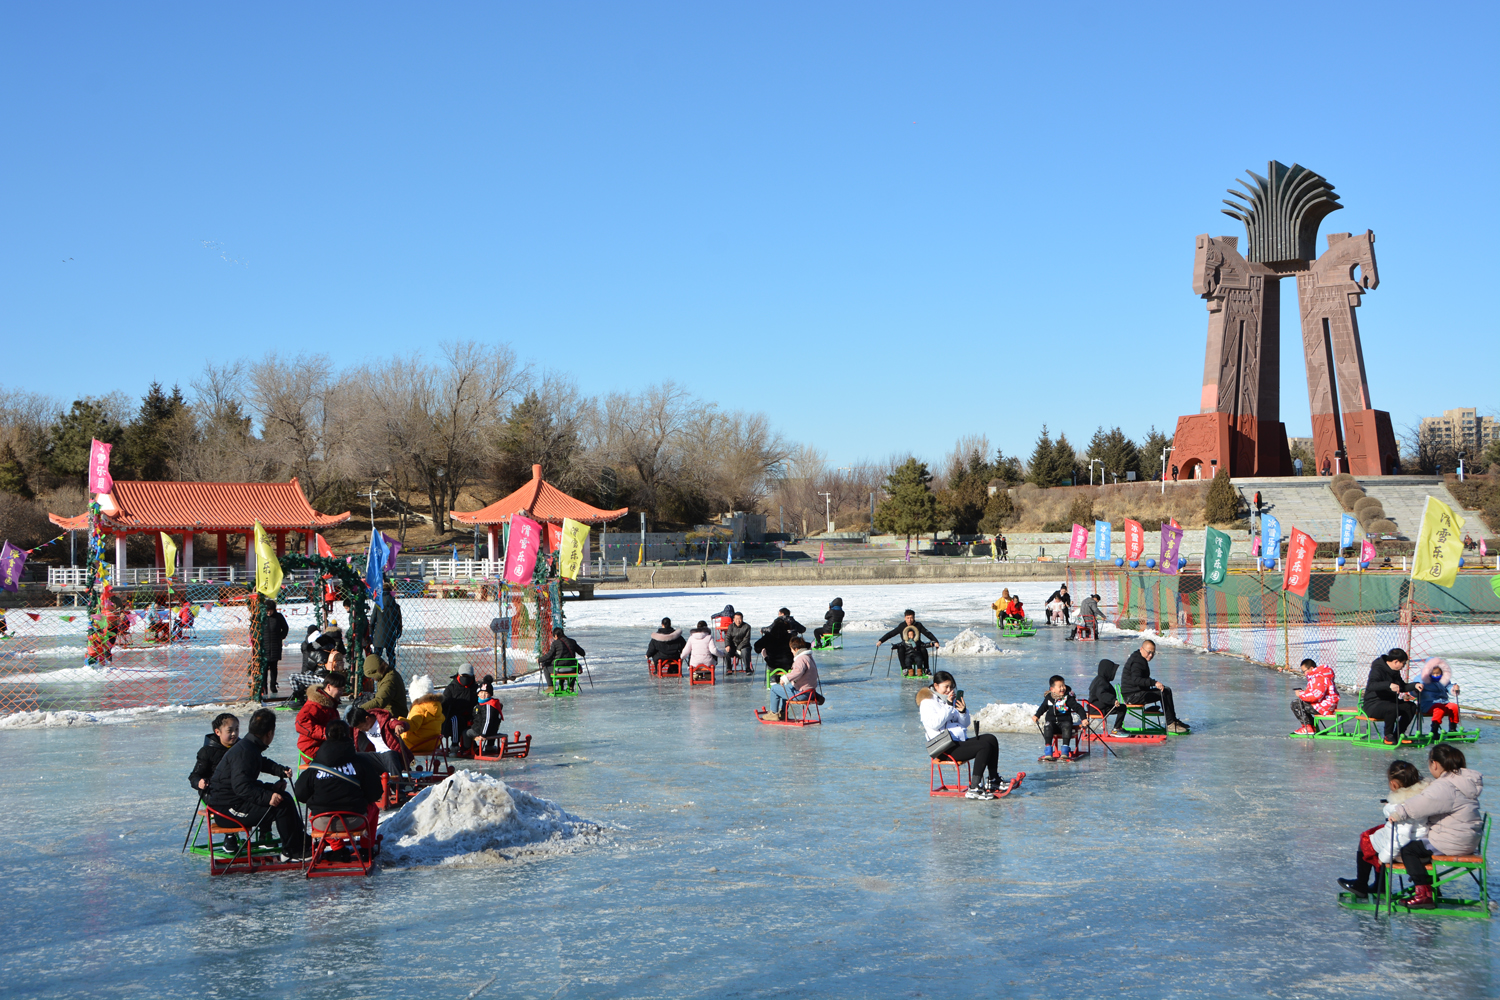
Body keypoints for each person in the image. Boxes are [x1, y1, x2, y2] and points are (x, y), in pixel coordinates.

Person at [1385, 744, 1485, 910]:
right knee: (1420, 846)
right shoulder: (1462, 781)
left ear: (1435, 764)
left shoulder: (1445, 785)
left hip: (1452, 841)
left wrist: (1399, 812)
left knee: (1409, 850)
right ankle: (1431, 888)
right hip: (1469, 839)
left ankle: (1424, 894)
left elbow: (1423, 803)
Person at [207, 708, 307, 861]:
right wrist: (268, 796)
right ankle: (292, 852)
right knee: (282, 806)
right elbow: (241, 787)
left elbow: (260, 762)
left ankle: (300, 841)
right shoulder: (245, 751)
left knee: (284, 797)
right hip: (227, 810)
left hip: (234, 802)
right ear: (270, 733)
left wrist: (278, 773)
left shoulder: (249, 746)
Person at [1338, 760, 1430, 898]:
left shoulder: (1401, 807)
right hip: (1420, 841)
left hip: (1406, 849)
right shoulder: (1421, 797)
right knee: (1375, 834)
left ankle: (1361, 883)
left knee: (1366, 840)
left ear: (1393, 784)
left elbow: (1401, 837)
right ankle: (1379, 885)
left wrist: (1384, 857)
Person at [293, 720, 385, 856]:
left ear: (326, 736)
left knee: (315, 813)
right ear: (348, 736)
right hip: (355, 821)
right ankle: (367, 849)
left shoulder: (315, 765)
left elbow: (300, 794)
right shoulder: (360, 762)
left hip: (322, 823)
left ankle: (338, 849)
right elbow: (375, 793)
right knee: (373, 808)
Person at [919, 670, 1005, 799]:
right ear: (936, 686)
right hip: (944, 747)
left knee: (990, 739)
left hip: (959, 741)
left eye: (951, 687)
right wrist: (949, 706)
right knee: (984, 746)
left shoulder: (950, 700)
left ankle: (993, 780)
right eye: (946, 687)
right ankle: (974, 787)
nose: (949, 690)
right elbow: (934, 724)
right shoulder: (927, 702)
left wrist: (963, 711)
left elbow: (965, 724)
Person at [1118, 639, 1190, 735]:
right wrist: (1154, 683)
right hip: (1132, 696)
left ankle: (1173, 721)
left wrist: (1153, 685)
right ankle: (1170, 724)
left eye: (1153, 653)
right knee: (1164, 692)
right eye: (1149, 652)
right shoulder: (1137, 662)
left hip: (1135, 693)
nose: (1151, 655)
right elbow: (1136, 680)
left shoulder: (1139, 657)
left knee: (1166, 690)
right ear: (1142, 649)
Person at [1361, 648, 1419, 746]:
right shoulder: (1378, 668)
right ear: (1396, 662)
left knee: (1411, 706)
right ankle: (1388, 735)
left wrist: (1415, 685)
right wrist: (1388, 685)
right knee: (1392, 708)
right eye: (1403, 663)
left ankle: (1398, 734)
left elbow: (1401, 687)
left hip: (1390, 702)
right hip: (1373, 704)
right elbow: (1372, 685)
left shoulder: (1395, 671)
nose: (1403, 666)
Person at [761, 635, 820, 720]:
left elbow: (798, 671)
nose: (791, 652)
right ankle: (783, 713)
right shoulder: (808, 657)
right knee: (786, 687)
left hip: (802, 694)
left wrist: (785, 678)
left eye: (791, 649)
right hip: (811, 693)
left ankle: (773, 713)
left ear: (796, 649)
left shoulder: (801, 659)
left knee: (774, 688)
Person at [295, 670, 346, 760]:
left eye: (342, 690)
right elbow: (301, 723)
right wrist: (327, 733)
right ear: (329, 687)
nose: (341, 693)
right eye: (339, 690)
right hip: (312, 748)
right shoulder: (313, 705)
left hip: (326, 745)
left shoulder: (331, 705)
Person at [350, 705, 411, 777]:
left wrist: (399, 726)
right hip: (378, 757)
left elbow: (398, 723)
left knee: (390, 754)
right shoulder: (360, 728)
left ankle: (398, 783)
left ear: (367, 718)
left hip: (394, 757)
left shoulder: (383, 721)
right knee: (354, 756)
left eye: (360, 727)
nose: (360, 729)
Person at [1033, 675, 1085, 759]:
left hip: (1065, 724)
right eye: (1060, 686)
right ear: (1052, 689)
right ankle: (1048, 752)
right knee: (1047, 725)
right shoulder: (1049, 698)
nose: (1063, 688)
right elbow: (1043, 707)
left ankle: (1065, 752)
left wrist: (1084, 719)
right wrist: (1036, 715)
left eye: (1063, 685)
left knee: (1067, 725)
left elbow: (1078, 708)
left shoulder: (1067, 698)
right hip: (1053, 725)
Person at [878, 610, 939, 676]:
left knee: (923, 649)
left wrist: (935, 641)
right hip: (906, 646)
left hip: (917, 646)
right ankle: (904, 668)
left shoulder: (918, 625)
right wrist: (881, 641)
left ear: (914, 618)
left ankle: (926, 668)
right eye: (908, 618)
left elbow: (927, 633)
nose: (909, 620)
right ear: (905, 618)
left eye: (911, 618)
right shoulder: (902, 626)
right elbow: (891, 634)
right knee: (900, 649)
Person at [188, 713, 239, 792]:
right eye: (229, 730)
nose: (234, 733)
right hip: (214, 793)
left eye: (236, 729)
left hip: (236, 791)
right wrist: (199, 782)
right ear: (217, 732)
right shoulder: (207, 752)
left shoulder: (241, 748)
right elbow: (195, 775)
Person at [1290, 658, 1339, 734]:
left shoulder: (1318, 678)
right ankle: (1311, 727)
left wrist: (1301, 694)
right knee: (1302, 702)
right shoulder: (1322, 675)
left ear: (1311, 668)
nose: (1304, 674)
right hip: (1327, 705)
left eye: (1304, 671)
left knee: (1296, 704)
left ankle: (1307, 727)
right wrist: (1304, 693)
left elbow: (1316, 696)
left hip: (1324, 707)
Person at [753, 608, 806, 675]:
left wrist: (764, 653)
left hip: (773, 663)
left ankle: (773, 679)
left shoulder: (769, 636)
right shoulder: (790, 634)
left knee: (768, 656)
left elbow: (757, 648)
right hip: (788, 664)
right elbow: (803, 630)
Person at [1418, 658, 1461, 736]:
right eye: (1433, 673)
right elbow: (1415, 688)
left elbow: (1449, 687)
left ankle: (1453, 729)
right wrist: (1416, 690)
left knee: (1454, 707)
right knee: (1439, 709)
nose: (1435, 675)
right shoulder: (1423, 680)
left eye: (1438, 673)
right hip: (1428, 704)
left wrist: (1454, 688)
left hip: (1444, 702)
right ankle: (1434, 730)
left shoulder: (1444, 680)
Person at [359, 653, 408, 718]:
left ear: (376, 672)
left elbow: (379, 701)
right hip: (389, 713)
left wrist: (360, 709)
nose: (372, 678)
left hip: (394, 717)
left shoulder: (389, 680)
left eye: (372, 676)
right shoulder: (386, 675)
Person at [401, 691, 446, 756]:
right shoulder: (439, 709)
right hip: (433, 745)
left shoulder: (418, 708)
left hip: (415, 744)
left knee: (397, 736)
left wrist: (399, 720)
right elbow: (443, 719)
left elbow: (414, 726)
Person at [466, 681, 505, 754]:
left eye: (486, 693)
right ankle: (489, 746)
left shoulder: (488, 705)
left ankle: (469, 749)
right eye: (481, 693)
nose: (483, 695)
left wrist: (483, 734)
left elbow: (487, 720)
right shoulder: (480, 704)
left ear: (490, 694)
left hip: (484, 731)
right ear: (478, 694)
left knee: (466, 732)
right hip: (485, 729)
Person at [369, 589, 403, 669]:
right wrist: (398, 632)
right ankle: (392, 670)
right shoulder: (396, 606)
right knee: (391, 654)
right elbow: (399, 621)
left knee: (377, 655)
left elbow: (372, 621)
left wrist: (371, 633)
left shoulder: (378, 605)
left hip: (379, 634)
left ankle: (376, 669)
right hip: (391, 634)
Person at [261, 599, 289, 695]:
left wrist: (281, 636)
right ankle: (264, 687)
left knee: (274, 667)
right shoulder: (262, 617)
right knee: (264, 668)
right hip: (264, 647)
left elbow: (285, 628)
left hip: (275, 646)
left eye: (270, 610)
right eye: (267, 611)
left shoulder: (278, 617)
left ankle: (273, 686)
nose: (268, 613)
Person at [1088, 658, 1120, 727]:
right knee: (1122, 708)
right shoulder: (1102, 682)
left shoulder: (1098, 679)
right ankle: (1117, 728)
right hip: (1098, 709)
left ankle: (1117, 728)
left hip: (1093, 707)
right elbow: (1102, 694)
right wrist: (1113, 700)